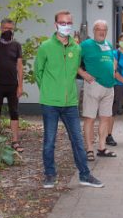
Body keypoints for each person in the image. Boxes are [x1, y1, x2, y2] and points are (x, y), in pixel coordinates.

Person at [34, 10, 104, 189]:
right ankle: (50, 175)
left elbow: (75, 70)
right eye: (62, 23)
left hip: (70, 103)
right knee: (49, 141)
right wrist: (48, 90)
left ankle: (85, 175)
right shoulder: (45, 47)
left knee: (78, 141)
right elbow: (38, 72)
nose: (66, 26)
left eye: (69, 23)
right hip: (50, 103)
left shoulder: (76, 48)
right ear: (56, 24)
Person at [78, 20, 117, 160]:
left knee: (105, 118)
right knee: (90, 118)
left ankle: (101, 147)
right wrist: (83, 74)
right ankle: (89, 149)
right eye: (99, 29)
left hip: (109, 86)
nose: (102, 31)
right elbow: (73, 62)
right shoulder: (85, 45)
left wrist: (112, 70)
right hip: (93, 85)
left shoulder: (109, 45)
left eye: (104, 29)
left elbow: (111, 60)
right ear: (94, 30)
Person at [0, 18, 24, 151]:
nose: (8, 31)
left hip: (13, 85)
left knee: (14, 112)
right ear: (1, 29)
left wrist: (20, 86)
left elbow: (19, 66)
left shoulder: (16, 45)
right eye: (6, 28)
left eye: (10, 29)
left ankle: (15, 141)